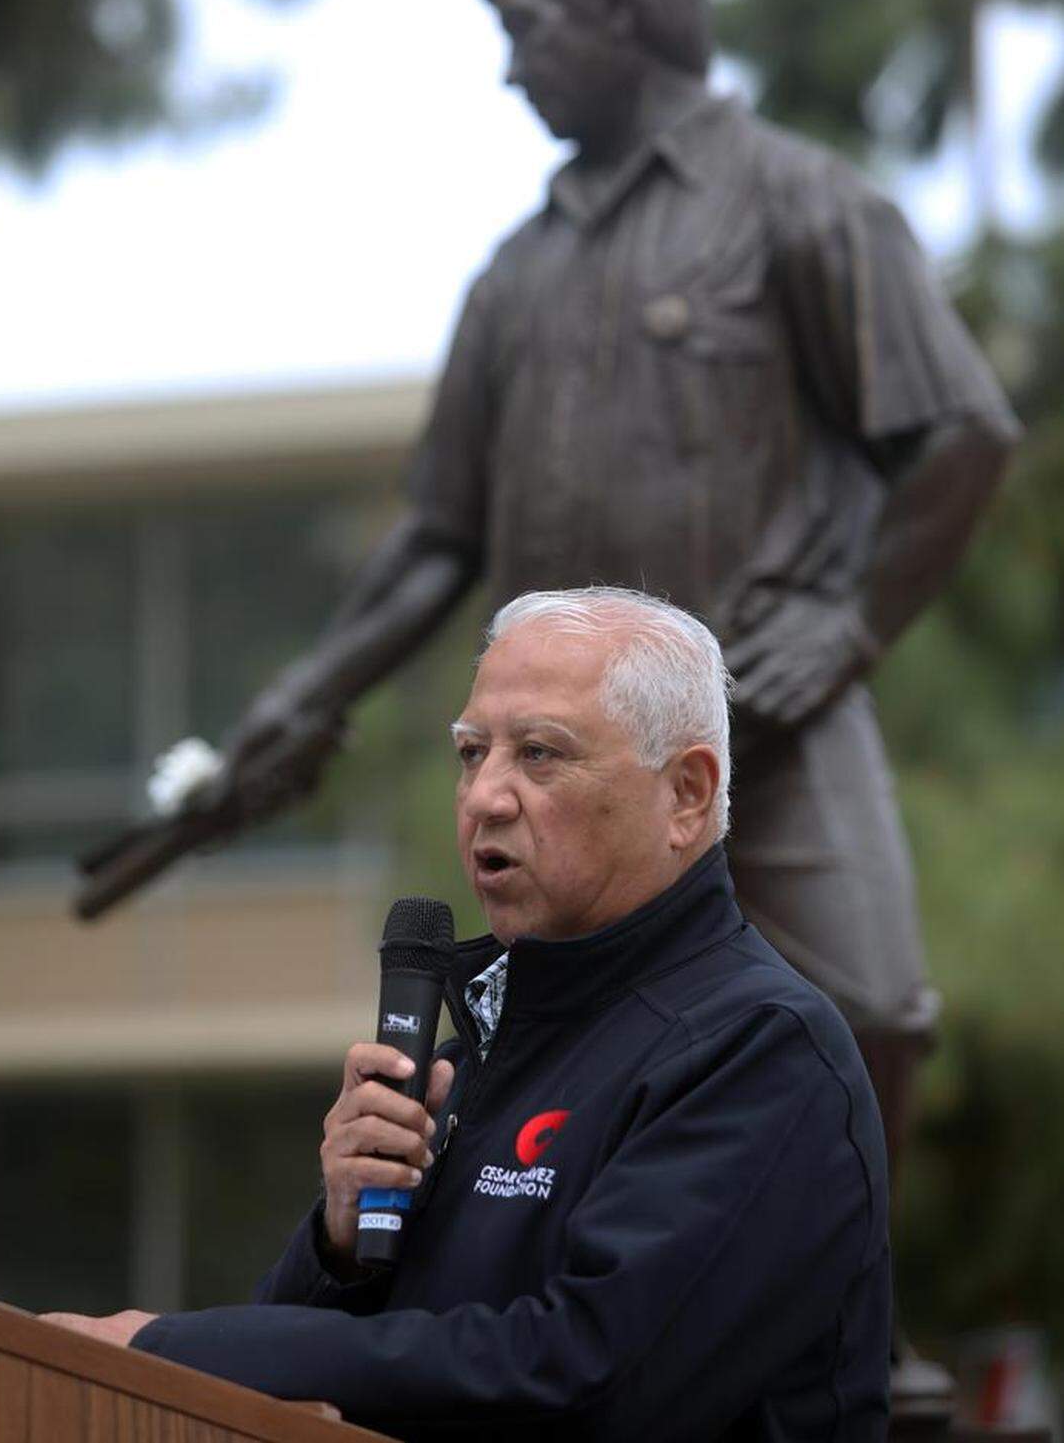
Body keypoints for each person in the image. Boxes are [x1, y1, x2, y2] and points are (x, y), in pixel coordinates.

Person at [198, 0, 1018, 1208]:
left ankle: (838, 1317)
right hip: (560, 747)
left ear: (622, 14)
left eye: (527, 26)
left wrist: (848, 625)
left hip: (767, 716)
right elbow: (436, 534)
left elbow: (962, 433)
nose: (511, 64)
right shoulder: (514, 275)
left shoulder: (801, 202)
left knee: (872, 1004)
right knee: (537, 1041)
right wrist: (306, 696)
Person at [47, 587, 891, 1442]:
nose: (485, 795)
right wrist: (341, 1241)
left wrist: (181, 1346)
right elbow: (316, 1394)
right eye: (470, 751)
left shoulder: (761, 1048)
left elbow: (582, 1379)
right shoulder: (470, 1054)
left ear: (685, 794)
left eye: (539, 754)